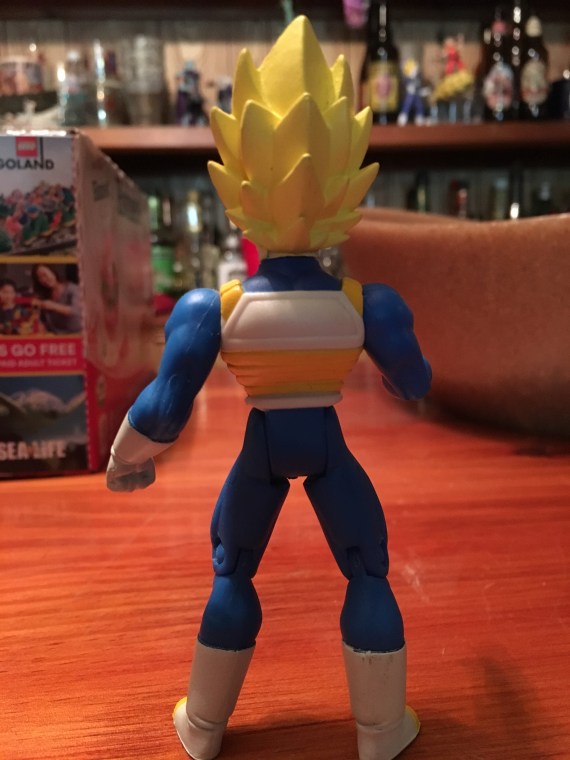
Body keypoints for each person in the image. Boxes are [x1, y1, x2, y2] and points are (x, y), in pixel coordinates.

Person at [107, 17, 431, 760]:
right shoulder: (365, 304)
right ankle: (380, 732)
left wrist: (126, 459)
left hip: (259, 452)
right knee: (367, 570)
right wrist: (394, 366)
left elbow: (166, 406)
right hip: (329, 449)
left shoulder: (212, 309)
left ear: (239, 184)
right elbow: (414, 381)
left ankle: (203, 727)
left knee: (232, 573)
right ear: (347, 182)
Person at [32, 264, 82, 334]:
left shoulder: (72, 289)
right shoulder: (44, 295)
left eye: (45, 275)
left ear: (53, 272)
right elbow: (42, 319)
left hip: (76, 334)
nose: (44, 280)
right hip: (55, 335)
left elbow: (76, 310)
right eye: (39, 278)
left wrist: (53, 306)